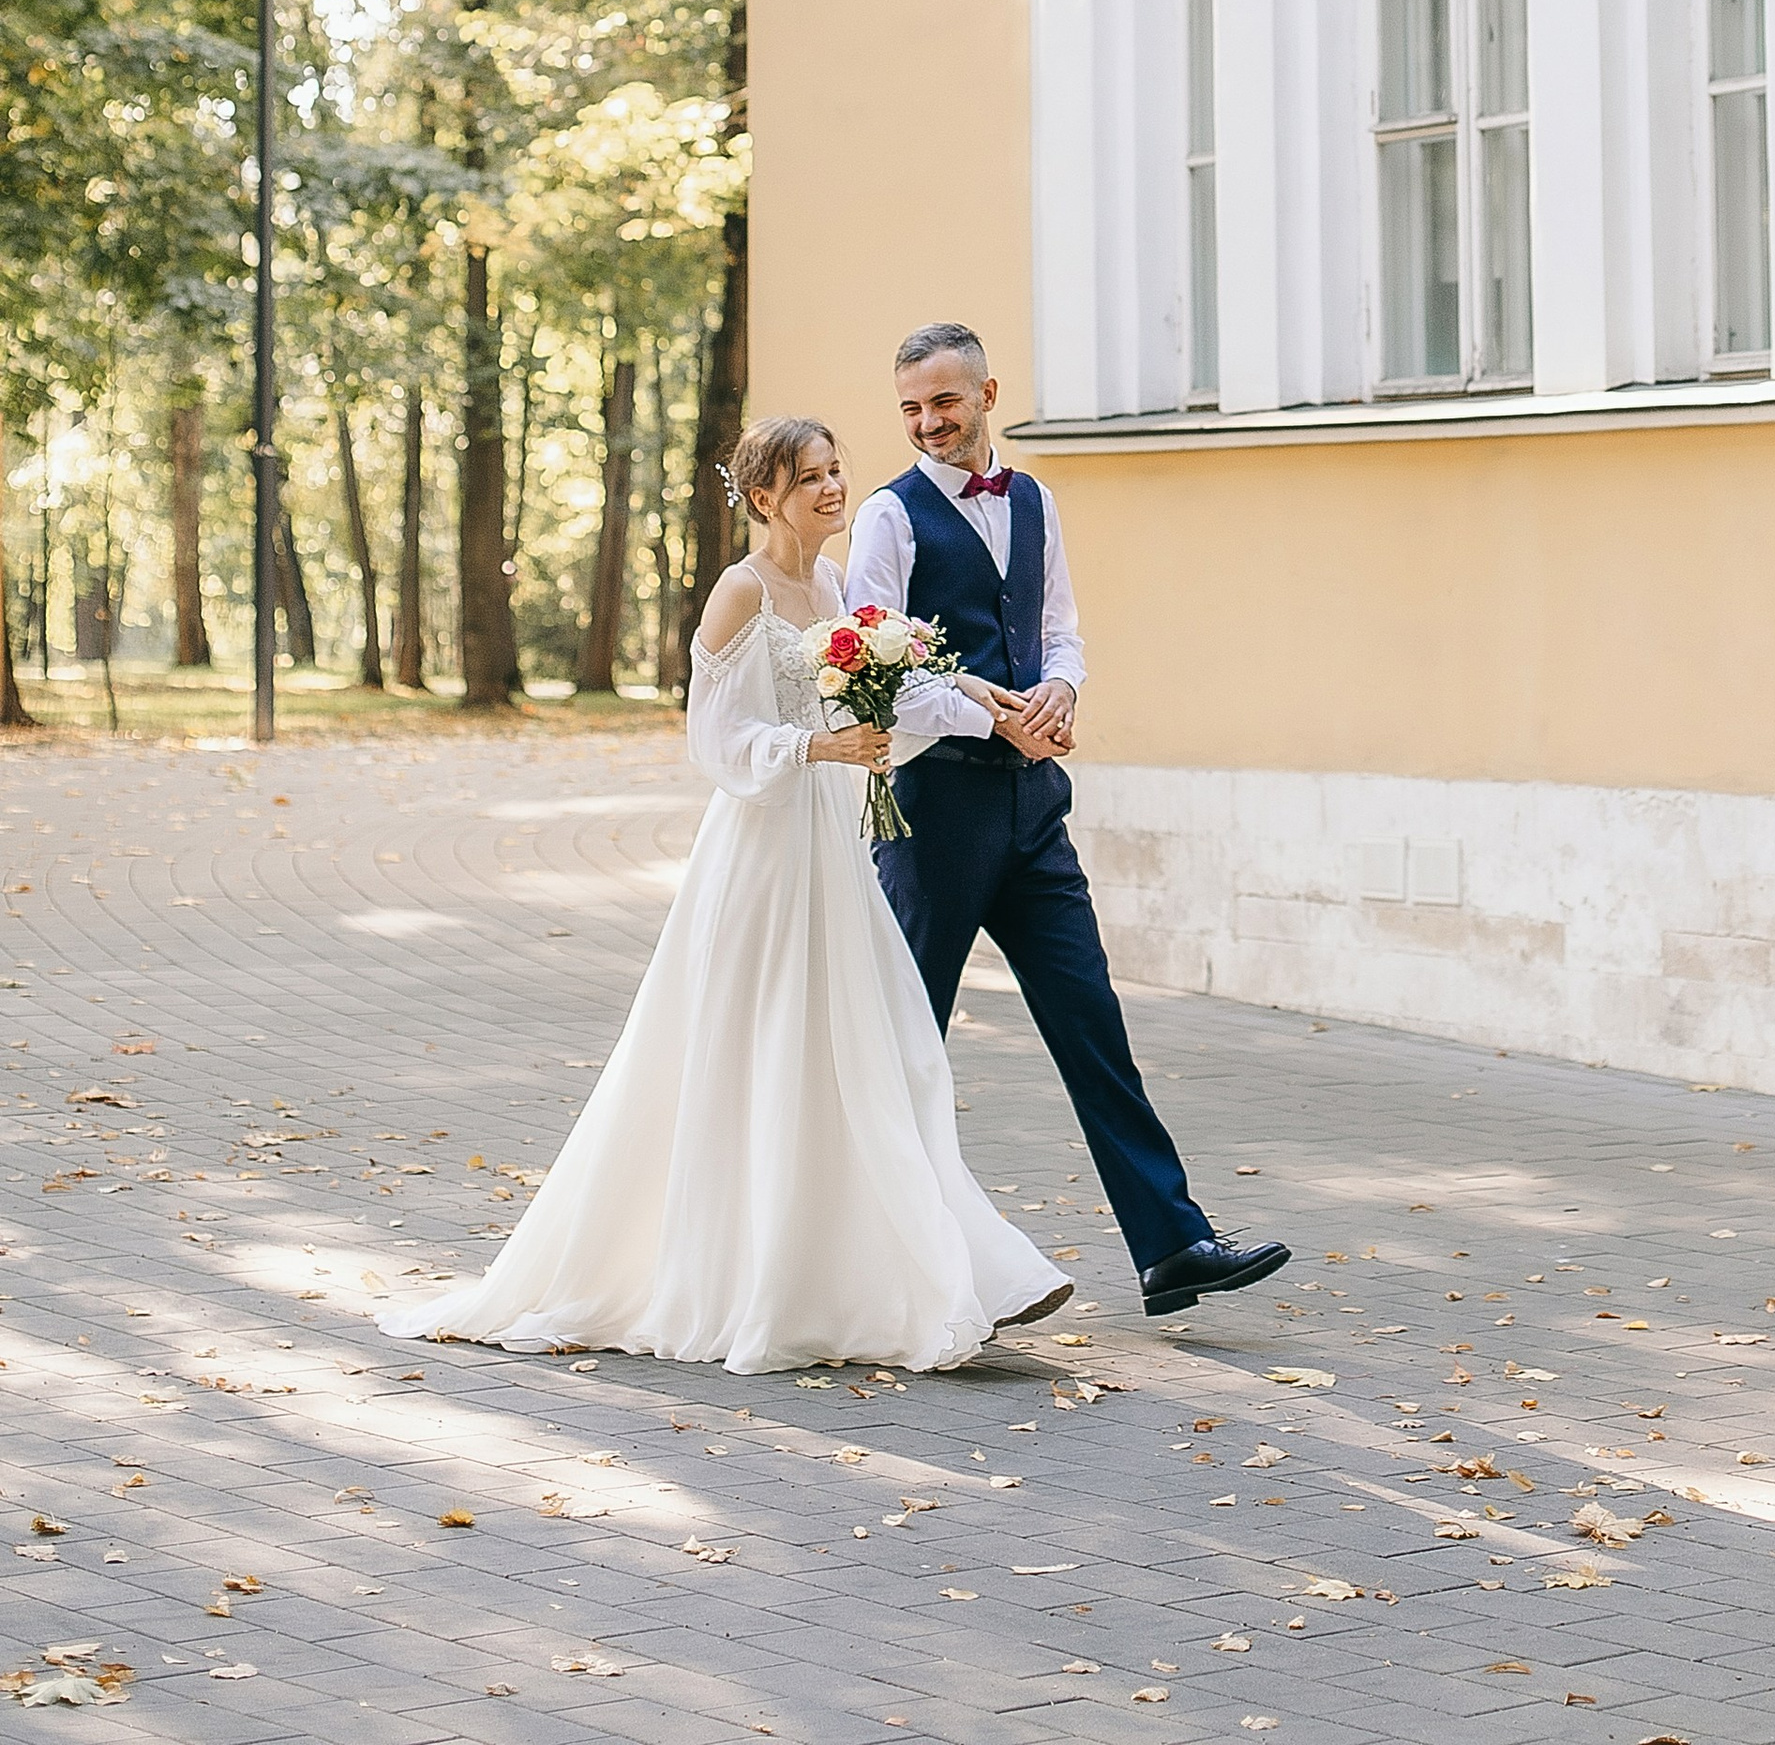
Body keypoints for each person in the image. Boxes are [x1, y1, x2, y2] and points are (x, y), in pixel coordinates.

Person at [375, 415, 1066, 1377]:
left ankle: (913, 1268)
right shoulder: (741, 592)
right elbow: (716, 740)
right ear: (765, 497)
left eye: (835, 471)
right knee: (769, 1049)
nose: (832, 490)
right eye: (810, 478)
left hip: (830, 841)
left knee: (880, 1048)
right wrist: (816, 749)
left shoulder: (832, 587)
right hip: (762, 852)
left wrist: (967, 710)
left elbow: (879, 710)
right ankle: (756, 1280)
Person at [846, 324, 1289, 1321]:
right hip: (935, 809)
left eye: (944, 403)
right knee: (908, 1041)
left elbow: (1060, 632)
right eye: (912, 409)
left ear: (987, 392)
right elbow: (876, 679)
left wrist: (1059, 694)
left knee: (1092, 1022)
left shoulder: (1035, 500)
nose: (928, 424)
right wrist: (996, 712)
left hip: (1033, 810)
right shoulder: (888, 518)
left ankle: (1173, 1246)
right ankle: (878, 1260)